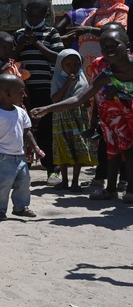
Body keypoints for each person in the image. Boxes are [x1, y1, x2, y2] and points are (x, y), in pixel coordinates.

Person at [32, 29, 133, 201]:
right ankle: (111, 190)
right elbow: (79, 98)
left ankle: (130, 189)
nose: (110, 49)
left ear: (128, 46)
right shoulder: (106, 75)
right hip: (117, 117)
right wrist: (48, 108)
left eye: (115, 45)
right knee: (115, 150)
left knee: (129, 152)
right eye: (104, 47)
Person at [0, 74, 39, 220]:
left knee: (24, 182)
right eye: (20, 91)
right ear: (8, 93)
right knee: (2, 184)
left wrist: (35, 147)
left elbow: (26, 131)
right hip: (0, 156)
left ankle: (20, 207)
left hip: (19, 155)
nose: (24, 94)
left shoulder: (21, 111)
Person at [13, 0, 64, 183]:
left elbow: (58, 58)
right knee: (23, 129)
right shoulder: (19, 34)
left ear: (45, 16)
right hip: (23, 90)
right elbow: (11, 59)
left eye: (38, 16)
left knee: (46, 129)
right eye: (30, 15)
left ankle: (51, 168)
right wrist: (20, 45)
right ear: (25, 13)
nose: (34, 19)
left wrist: (37, 44)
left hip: (45, 88)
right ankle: (21, 170)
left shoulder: (51, 33)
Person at [47, 49, 94, 191]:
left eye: (76, 64)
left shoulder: (83, 78)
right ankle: (64, 181)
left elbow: (86, 97)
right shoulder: (57, 79)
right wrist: (67, 84)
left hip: (79, 118)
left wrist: (86, 102)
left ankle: (75, 182)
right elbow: (55, 99)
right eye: (68, 64)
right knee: (63, 147)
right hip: (61, 118)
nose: (73, 67)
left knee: (78, 147)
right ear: (61, 66)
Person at [72, 0, 129, 75]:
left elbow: (119, 31)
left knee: (104, 87)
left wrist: (90, 30)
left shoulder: (120, 11)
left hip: (107, 60)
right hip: (88, 63)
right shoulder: (95, 12)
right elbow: (83, 28)